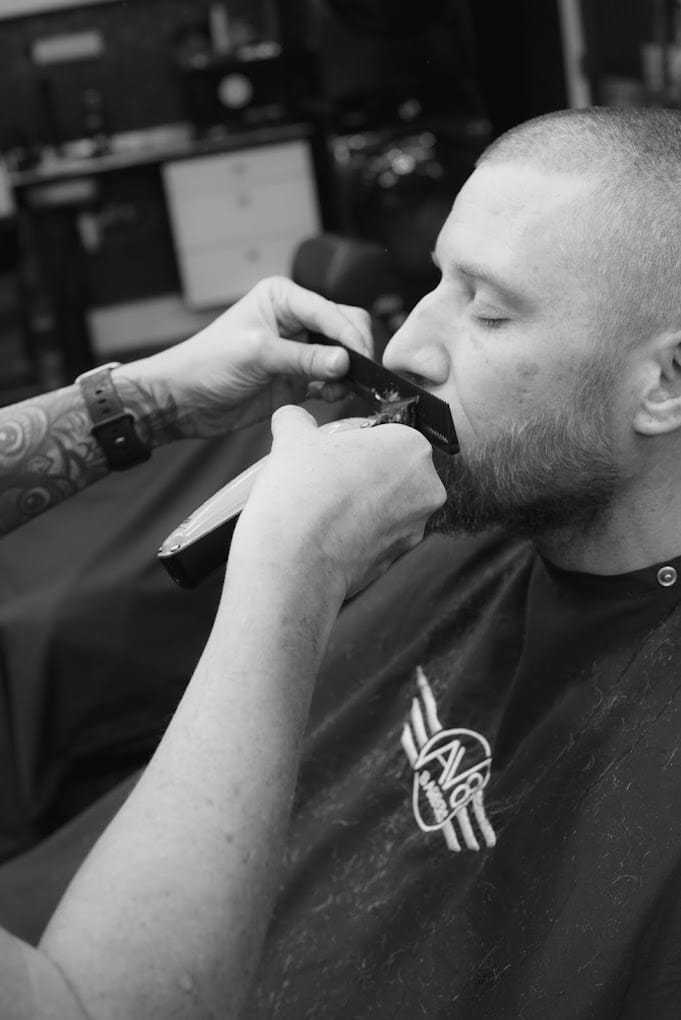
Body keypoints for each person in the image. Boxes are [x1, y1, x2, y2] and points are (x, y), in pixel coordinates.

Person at [3, 102, 681, 1018]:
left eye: (484, 309)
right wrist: (290, 575)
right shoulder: (465, 553)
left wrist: (141, 402)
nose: (404, 348)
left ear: (666, 383)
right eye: (435, 282)